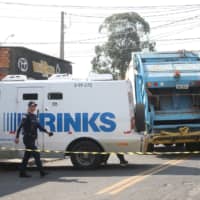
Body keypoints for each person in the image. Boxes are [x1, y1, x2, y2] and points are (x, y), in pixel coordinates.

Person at [15, 101, 53, 178]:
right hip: (27, 139)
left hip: (32, 139)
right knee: (36, 154)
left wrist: (47, 132)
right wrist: (17, 137)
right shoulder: (26, 116)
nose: (34, 108)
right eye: (32, 106)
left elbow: (39, 126)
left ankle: (22, 173)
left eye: (35, 106)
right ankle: (42, 172)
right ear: (29, 107)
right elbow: (20, 127)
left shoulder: (34, 116)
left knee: (26, 156)